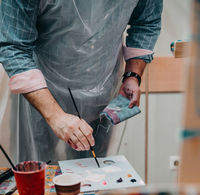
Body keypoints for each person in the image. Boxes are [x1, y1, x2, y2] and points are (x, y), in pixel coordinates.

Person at [0, 0, 163, 163]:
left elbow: (147, 21)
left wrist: (133, 75)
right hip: (39, 94)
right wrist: (55, 116)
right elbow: (14, 47)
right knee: (36, 173)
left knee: (93, 170)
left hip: (103, 90)